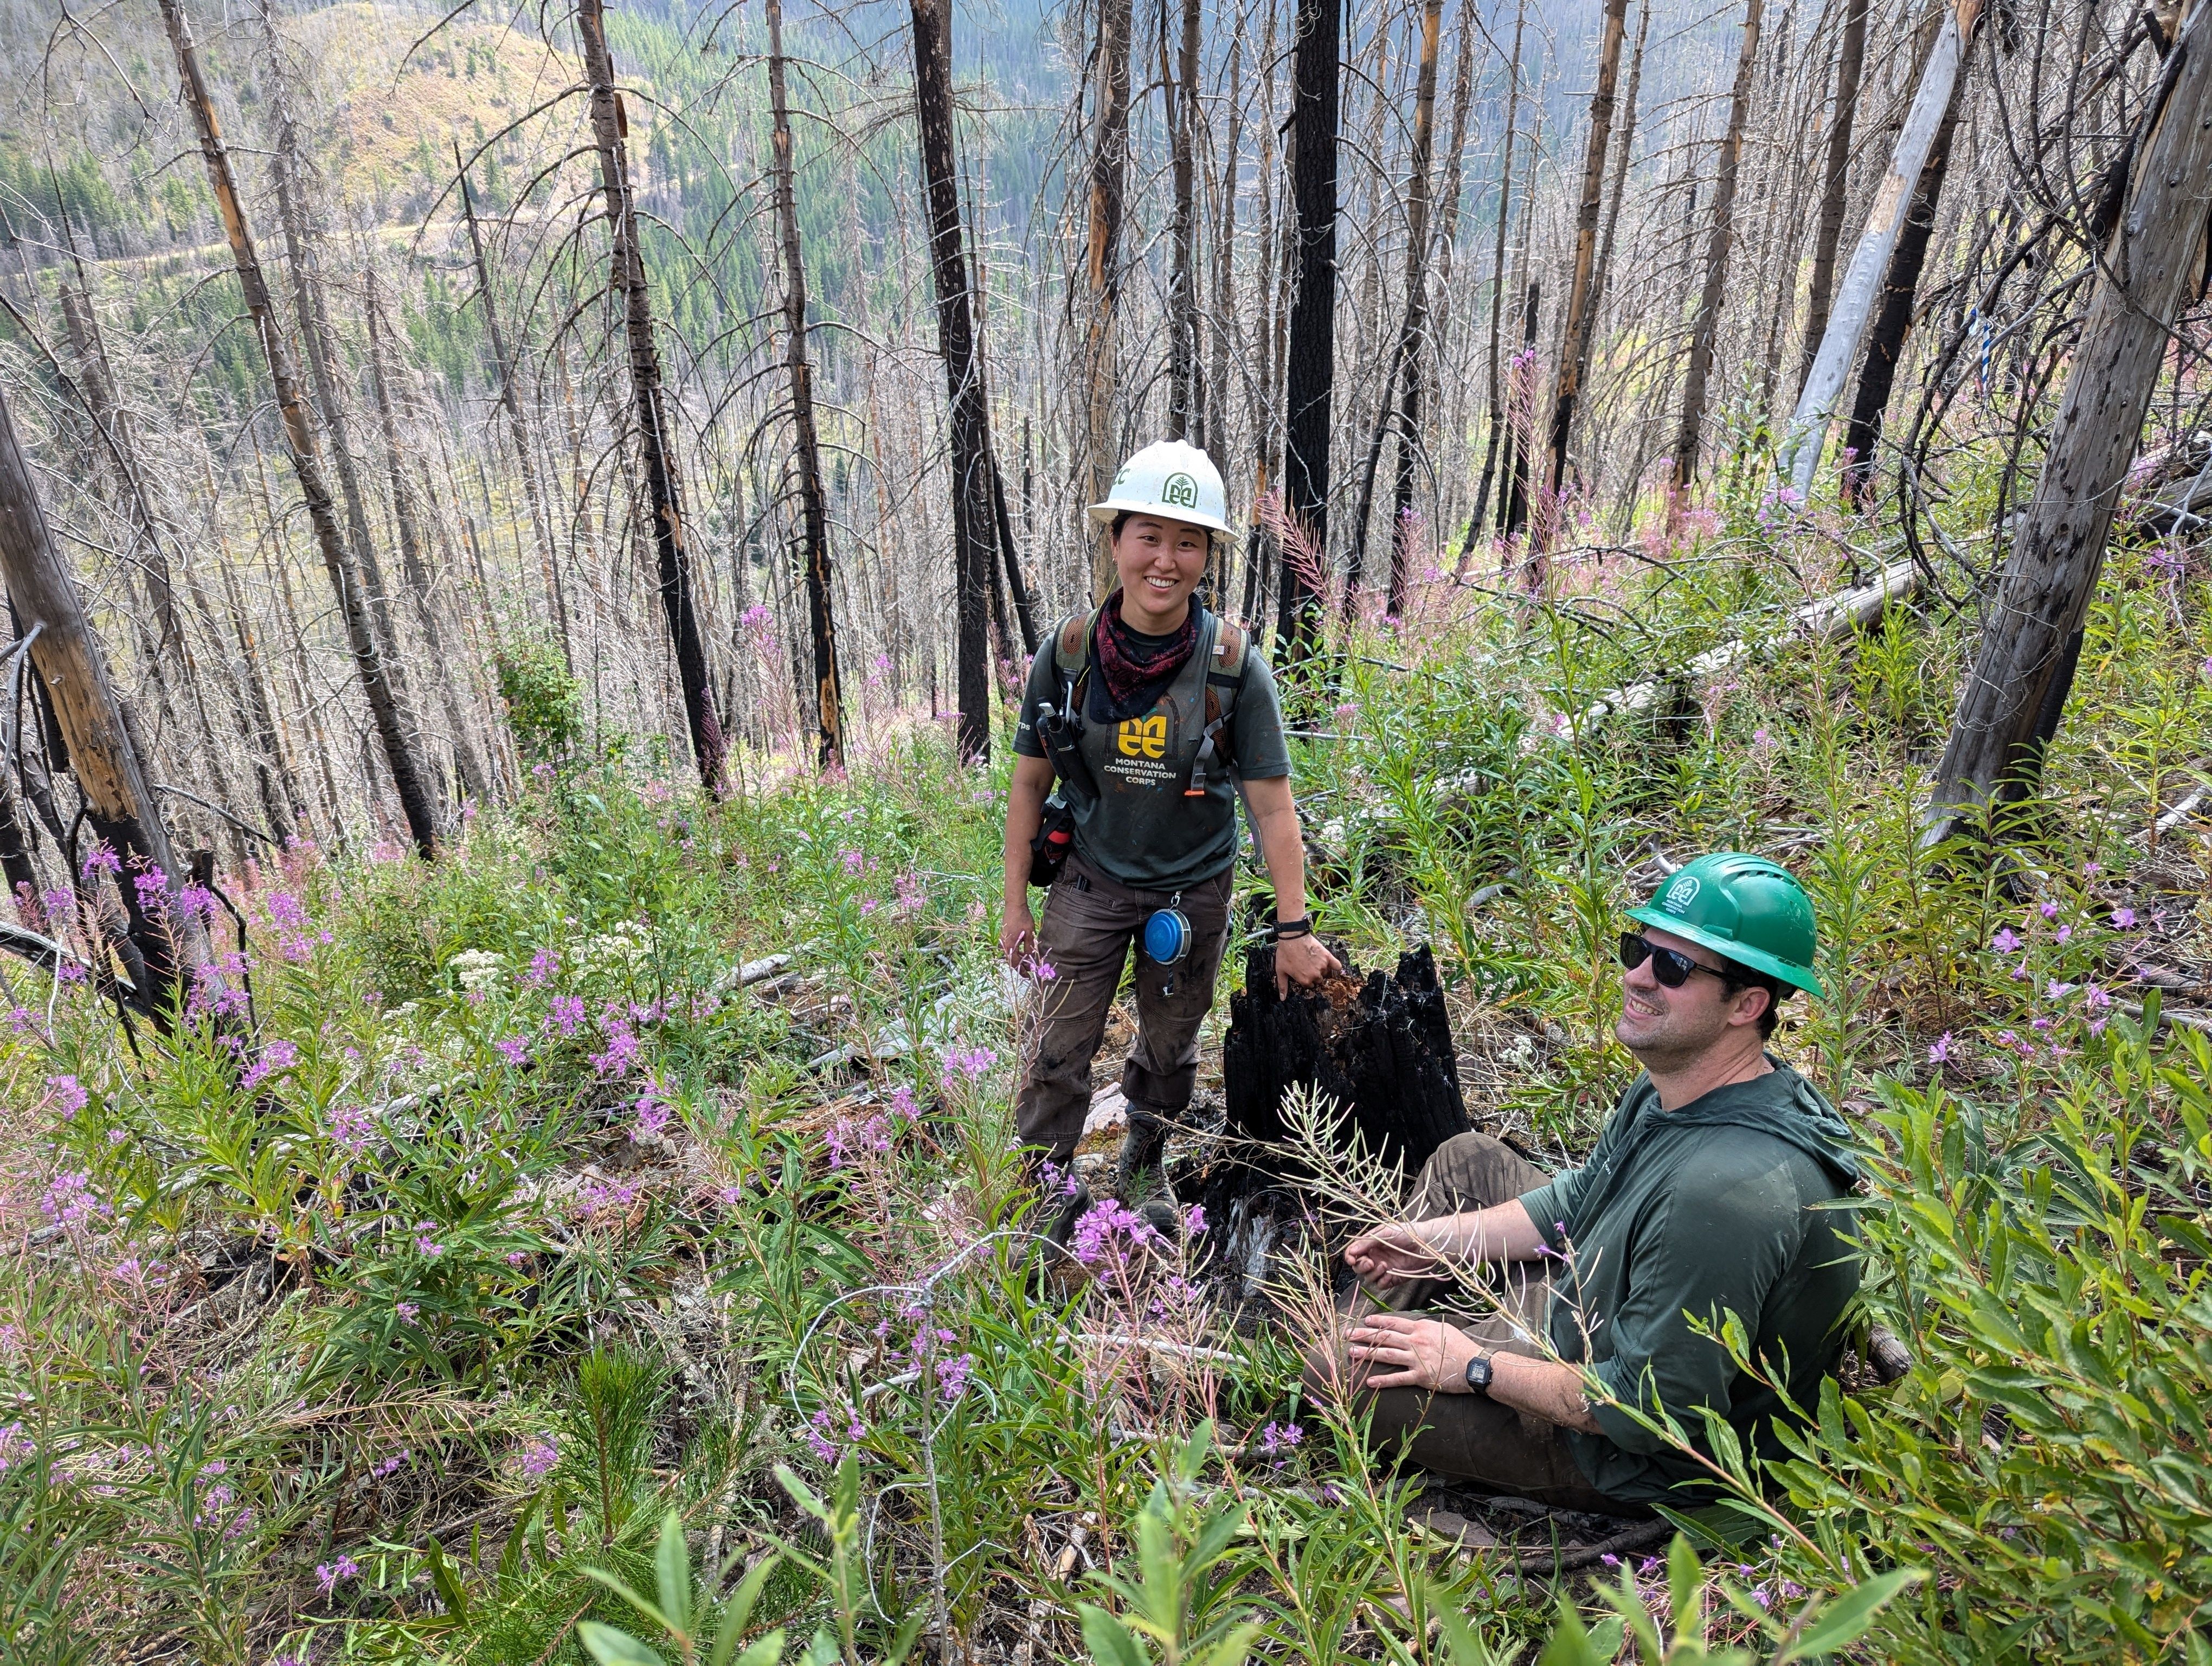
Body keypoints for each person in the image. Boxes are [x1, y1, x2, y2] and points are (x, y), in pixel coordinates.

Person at [1314, 852, 1860, 1513]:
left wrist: (1473, 1368)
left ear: (1748, 1004)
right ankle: (1429, 1322)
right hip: (1604, 1309)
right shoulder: (1685, 1084)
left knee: (1330, 1369)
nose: (1637, 977)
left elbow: (1648, 1413)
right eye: (1640, 949)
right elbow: (1586, 1194)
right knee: (1468, 1160)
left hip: (1627, 1451)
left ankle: (1420, 1337)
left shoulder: (1721, 1193)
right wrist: (1437, 1240)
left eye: (1674, 967)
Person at [1000, 440, 1340, 1215]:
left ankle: (1144, 1161)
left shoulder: (1232, 666)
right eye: (1148, 536)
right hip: (1087, 880)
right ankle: (1044, 1191)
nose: (1166, 559)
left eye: (1188, 541)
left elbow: (1272, 805)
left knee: (1169, 1046)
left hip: (1191, 894)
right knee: (1055, 1047)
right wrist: (1017, 904)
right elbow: (1027, 782)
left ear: (1208, 555)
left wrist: (1295, 926)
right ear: (1116, 541)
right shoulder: (1072, 652)